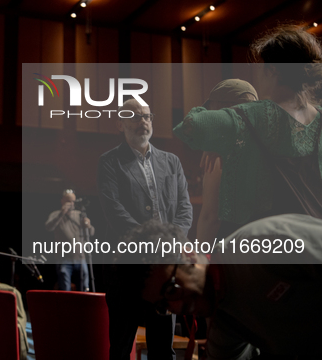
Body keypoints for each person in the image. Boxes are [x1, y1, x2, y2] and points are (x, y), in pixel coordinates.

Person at [174, 25, 322, 238]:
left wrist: (220, 137)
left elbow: (191, 125)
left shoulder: (250, 117)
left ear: (272, 70)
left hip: (268, 251)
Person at [123, 216, 322, 359]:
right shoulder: (222, 322)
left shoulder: (262, 244)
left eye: (172, 290)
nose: (175, 308)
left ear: (188, 254)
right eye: (163, 306)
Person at [97, 97, 193, 360]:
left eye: (147, 116)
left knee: (163, 348)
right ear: (120, 123)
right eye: (135, 116)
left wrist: (171, 241)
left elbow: (185, 209)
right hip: (125, 268)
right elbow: (115, 212)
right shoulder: (109, 162)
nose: (143, 121)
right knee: (121, 346)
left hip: (164, 268)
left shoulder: (172, 162)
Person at [196, 80, 258, 243]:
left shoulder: (220, 152)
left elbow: (211, 217)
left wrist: (199, 259)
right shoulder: (270, 144)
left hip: (234, 251)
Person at [45, 189, 95, 291]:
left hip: (80, 257)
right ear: (62, 201)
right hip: (64, 259)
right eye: (68, 201)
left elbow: (91, 233)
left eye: (73, 201)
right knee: (65, 288)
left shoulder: (80, 214)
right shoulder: (56, 214)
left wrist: (88, 226)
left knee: (85, 287)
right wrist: (62, 213)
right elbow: (48, 227)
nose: (71, 204)